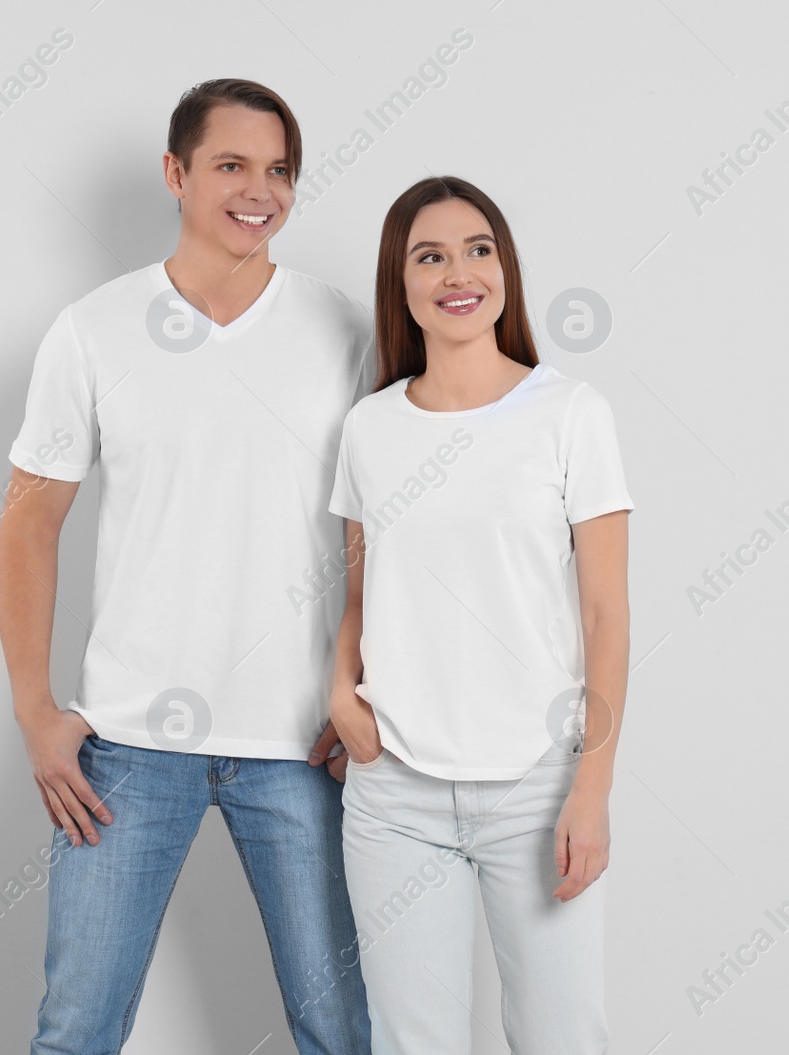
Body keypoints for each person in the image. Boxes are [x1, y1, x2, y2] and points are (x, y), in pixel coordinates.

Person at [0, 78, 374, 1054]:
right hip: (124, 744)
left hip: (300, 746)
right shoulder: (94, 328)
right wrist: (36, 708)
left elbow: (372, 528)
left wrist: (352, 683)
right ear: (176, 173)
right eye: (231, 165)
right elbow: (29, 522)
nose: (260, 190)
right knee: (75, 1029)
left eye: (279, 169)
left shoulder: (343, 332)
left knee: (339, 1028)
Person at [313, 175, 632, 1053]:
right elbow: (359, 595)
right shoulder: (371, 429)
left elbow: (607, 617)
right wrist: (341, 690)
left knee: (562, 1037)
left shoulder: (569, 413)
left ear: (504, 269)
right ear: (403, 283)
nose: (460, 272)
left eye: (478, 249)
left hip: (538, 784)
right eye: (431, 255)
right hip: (394, 793)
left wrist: (591, 789)